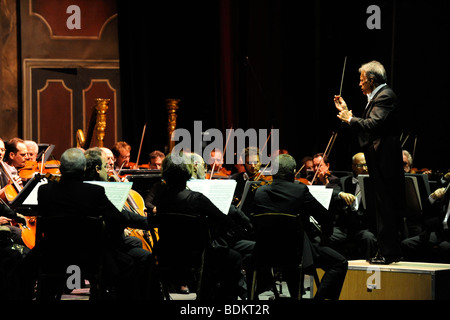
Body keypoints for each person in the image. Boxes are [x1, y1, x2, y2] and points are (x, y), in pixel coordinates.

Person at [18, 148, 156, 300]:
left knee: (21, 267)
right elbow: (119, 218)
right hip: (89, 257)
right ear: (83, 169)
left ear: (61, 169)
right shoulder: (94, 192)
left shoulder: (45, 191)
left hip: (52, 254)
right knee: (127, 263)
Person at [334, 60, 405, 264]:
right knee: (380, 205)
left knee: (386, 206)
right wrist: (348, 113)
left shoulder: (385, 96)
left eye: (362, 80)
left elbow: (373, 124)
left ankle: (389, 252)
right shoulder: (377, 97)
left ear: (372, 80)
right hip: (379, 160)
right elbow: (367, 126)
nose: (359, 84)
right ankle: (386, 251)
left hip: (385, 161)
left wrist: (349, 119)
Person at [252, 154, 348, 300]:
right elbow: (325, 217)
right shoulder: (299, 191)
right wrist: (325, 235)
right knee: (340, 262)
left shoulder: (259, 192)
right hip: (296, 254)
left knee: (291, 255)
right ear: (294, 172)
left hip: (266, 254)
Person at [149, 152, 243, 299]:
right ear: (187, 171)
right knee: (234, 257)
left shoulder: (161, 200)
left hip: (167, 255)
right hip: (196, 257)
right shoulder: (196, 198)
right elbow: (227, 222)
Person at [337, 152, 378, 259]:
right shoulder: (344, 181)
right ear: (353, 167)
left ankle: (368, 271)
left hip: (364, 228)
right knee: (321, 238)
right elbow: (333, 191)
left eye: (367, 165)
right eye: (360, 165)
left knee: (369, 238)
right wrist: (341, 194)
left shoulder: (375, 185)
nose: (364, 168)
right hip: (345, 228)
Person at [401, 177, 450, 263]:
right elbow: (426, 211)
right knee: (407, 244)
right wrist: (433, 197)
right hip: (441, 233)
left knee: (444, 247)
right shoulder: (448, 189)